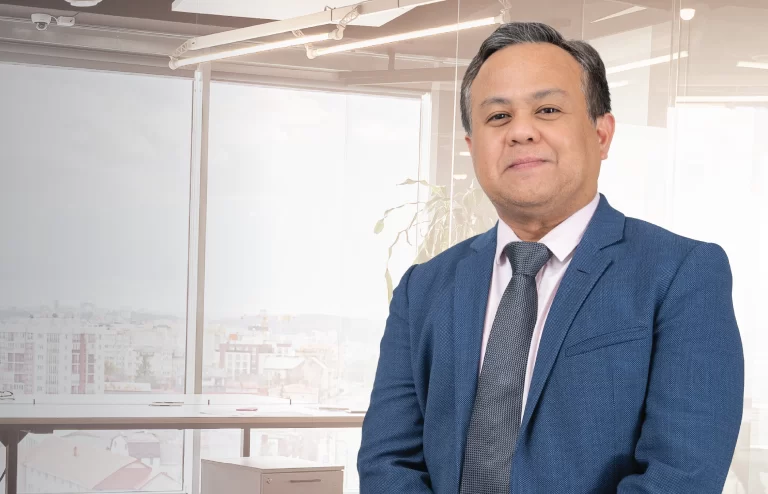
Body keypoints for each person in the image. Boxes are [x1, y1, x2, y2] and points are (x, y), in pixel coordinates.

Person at [357, 22, 744, 493]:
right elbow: (388, 463)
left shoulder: (680, 275)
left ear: (601, 134)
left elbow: (682, 476)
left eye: (547, 109)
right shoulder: (424, 288)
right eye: (497, 117)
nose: (521, 131)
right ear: (472, 147)